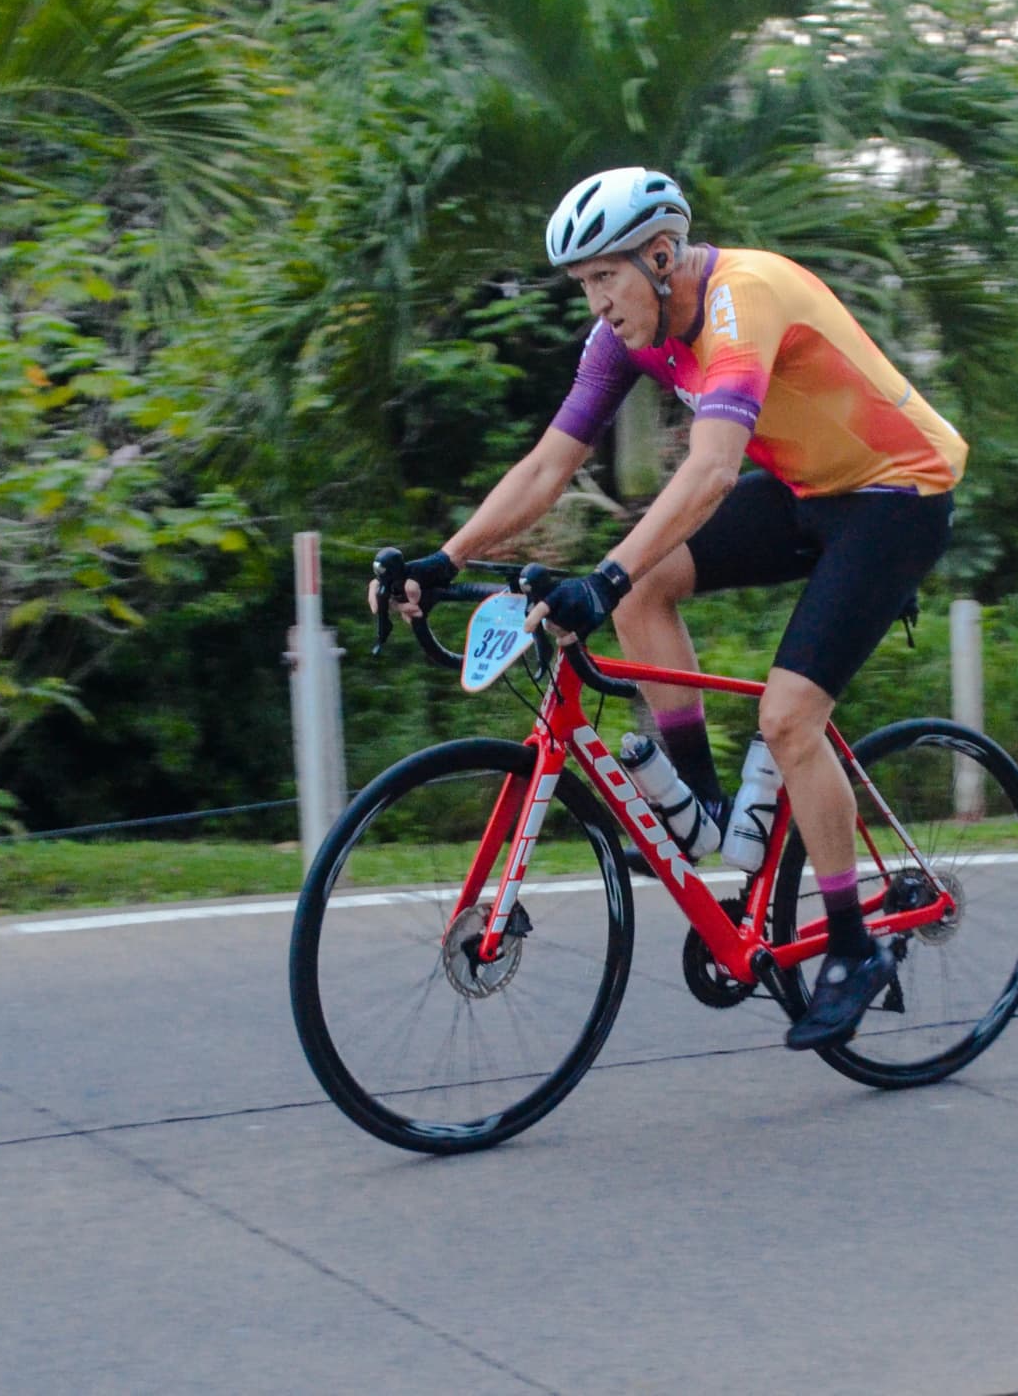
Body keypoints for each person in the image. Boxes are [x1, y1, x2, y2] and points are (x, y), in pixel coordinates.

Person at [376, 166, 967, 1050]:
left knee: (790, 717)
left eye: (604, 278)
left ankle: (852, 948)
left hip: (898, 493)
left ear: (660, 255)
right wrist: (445, 556)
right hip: (810, 487)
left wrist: (600, 579)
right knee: (649, 586)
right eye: (582, 285)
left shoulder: (743, 297)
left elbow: (714, 469)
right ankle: (703, 799)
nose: (596, 304)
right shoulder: (626, 335)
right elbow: (547, 465)